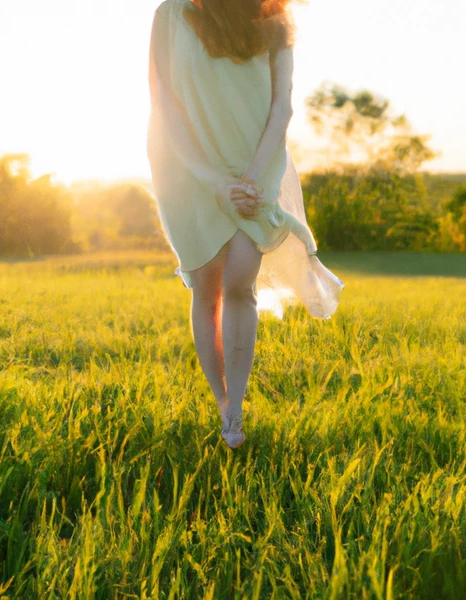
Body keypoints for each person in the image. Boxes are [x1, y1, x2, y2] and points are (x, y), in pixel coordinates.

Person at [147, 0, 344, 449]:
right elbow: (164, 102)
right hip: (187, 168)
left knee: (239, 280)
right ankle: (221, 401)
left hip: (254, 166)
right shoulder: (170, 14)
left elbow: (281, 107)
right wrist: (213, 181)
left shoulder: (273, 18)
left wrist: (253, 178)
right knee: (206, 287)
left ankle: (235, 408)